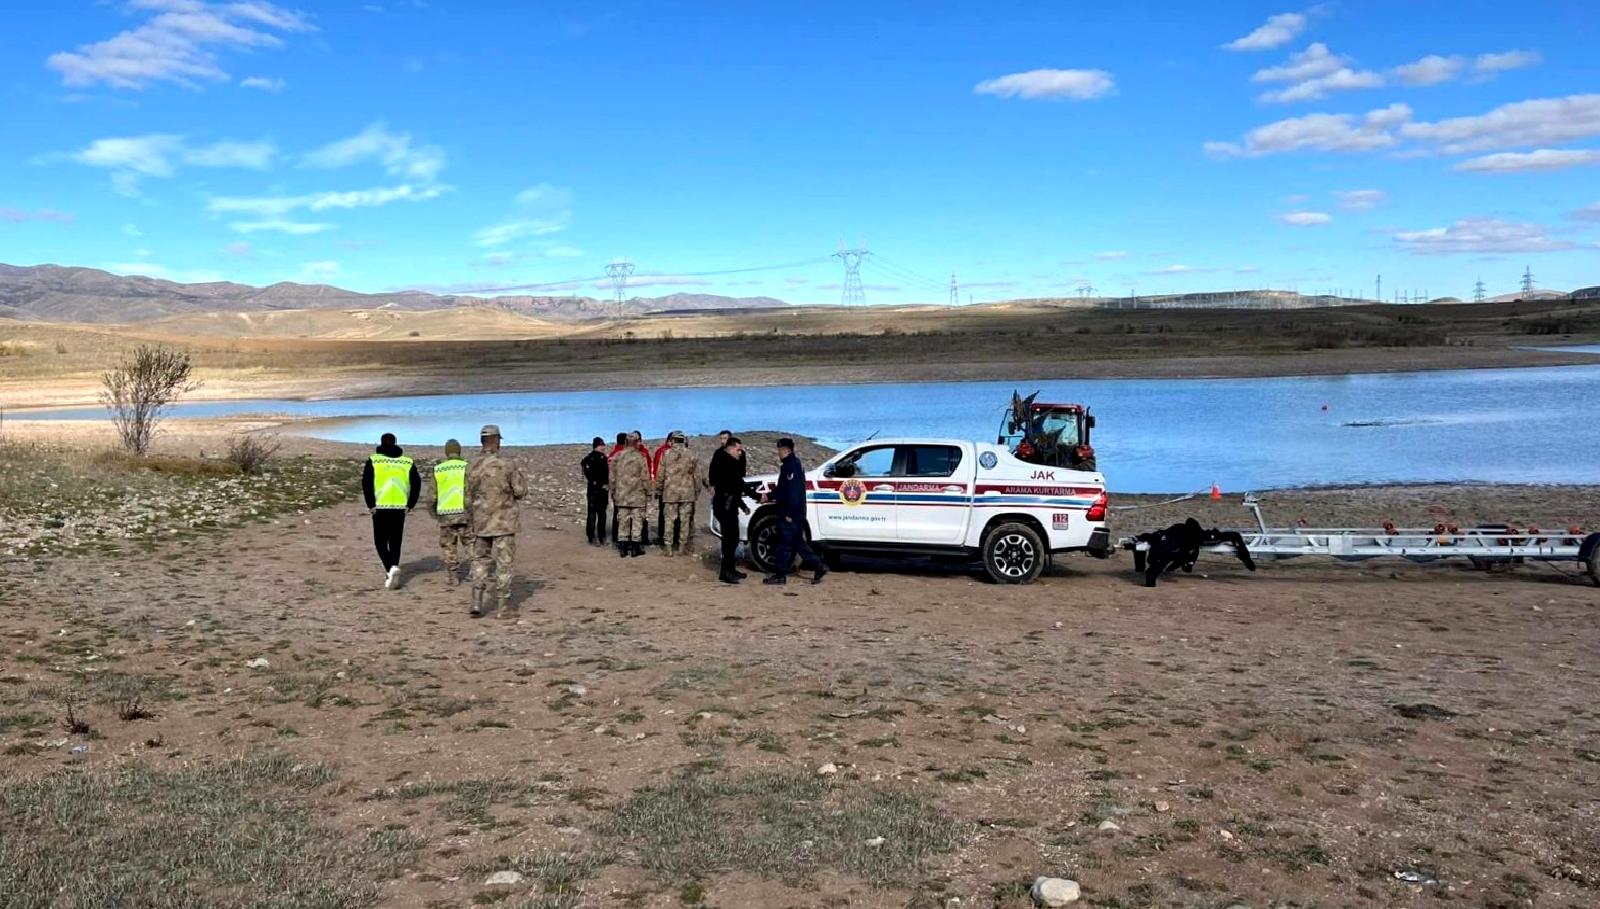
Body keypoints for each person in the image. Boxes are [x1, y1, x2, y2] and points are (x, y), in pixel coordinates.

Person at [465, 424, 527, 617]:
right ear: (497, 441)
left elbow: (466, 497)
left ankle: (476, 602)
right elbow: (520, 491)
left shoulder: (472, 465)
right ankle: (502, 607)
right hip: (503, 522)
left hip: (480, 522)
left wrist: (472, 517)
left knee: (480, 561)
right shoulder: (508, 464)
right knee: (504, 564)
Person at [763, 437, 827, 586]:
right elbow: (783, 489)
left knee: (783, 545)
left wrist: (789, 514)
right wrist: (769, 496)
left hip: (790, 512)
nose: (778, 453)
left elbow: (792, 492)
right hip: (796, 512)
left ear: (786, 450)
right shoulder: (791, 465)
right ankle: (819, 566)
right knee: (798, 543)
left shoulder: (791, 466)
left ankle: (780, 575)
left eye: (779, 450)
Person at [361, 432, 420, 590]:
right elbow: (416, 484)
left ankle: (390, 568)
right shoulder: (407, 462)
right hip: (400, 507)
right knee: (395, 542)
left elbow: (367, 483)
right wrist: (411, 503)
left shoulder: (374, 460)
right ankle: (392, 569)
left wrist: (370, 504)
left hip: (380, 507)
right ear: (395, 443)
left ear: (381, 443)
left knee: (380, 542)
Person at [654, 430, 705, 557]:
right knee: (685, 521)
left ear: (673, 440)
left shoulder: (666, 454)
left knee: (669, 521)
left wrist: (658, 490)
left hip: (670, 493)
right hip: (687, 493)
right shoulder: (691, 454)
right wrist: (697, 492)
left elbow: (660, 475)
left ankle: (668, 547)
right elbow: (697, 476)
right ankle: (682, 547)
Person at [708, 434, 750, 584]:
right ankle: (725, 572)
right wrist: (757, 496)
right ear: (731, 448)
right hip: (724, 505)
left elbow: (736, 487)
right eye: (738, 450)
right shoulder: (725, 461)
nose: (740, 453)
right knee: (729, 539)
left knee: (733, 538)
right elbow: (738, 484)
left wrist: (742, 505)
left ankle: (731, 569)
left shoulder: (731, 461)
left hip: (730, 504)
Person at [430, 438, 471, 585]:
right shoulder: (467, 467)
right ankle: (475, 572)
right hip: (466, 513)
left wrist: (432, 511)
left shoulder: (439, 469)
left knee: (449, 546)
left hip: (446, 514)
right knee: (470, 543)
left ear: (446, 452)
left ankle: (453, 576)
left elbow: (433, 495)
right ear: (459, 451)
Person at [611, 436, 652, 558]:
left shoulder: (618, 456)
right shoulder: (640, 457)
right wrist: (649, 491)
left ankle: (623, 549)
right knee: (637, 522)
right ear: (636, 443)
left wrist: (613, 490)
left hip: (622, 495)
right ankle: (635, 548)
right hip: (637, 496)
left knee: (623, 521)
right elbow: (645, 477)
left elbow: (612, 476)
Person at [580, 436, 609, 546]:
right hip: (600, 489)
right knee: (600, 514)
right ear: (598, 446)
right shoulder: (601, 458)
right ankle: (600, 537)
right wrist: (606, 484)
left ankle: (593, 537)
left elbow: (585, 472)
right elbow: (605, 473)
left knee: (594, 514)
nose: (603, 447)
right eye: (602, 445)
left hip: (592, 489)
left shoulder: (587, 459)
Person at [607, 431, 629, 552]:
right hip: (627, 490)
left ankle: (617, 537)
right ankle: (626, 540)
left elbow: (610, 474)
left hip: (617, 489)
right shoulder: (624, 455)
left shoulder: (613, 454)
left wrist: (612, 488)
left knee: (617, 513)